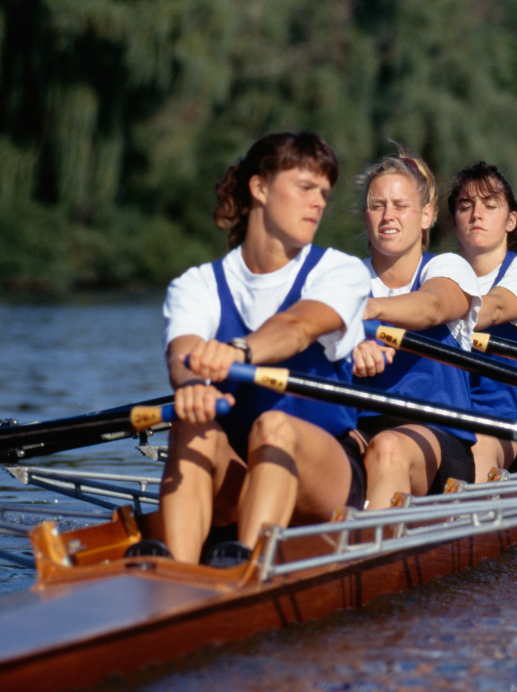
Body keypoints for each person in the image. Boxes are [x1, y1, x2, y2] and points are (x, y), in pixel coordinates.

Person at [152, 132, 371, 565]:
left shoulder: (339, 272)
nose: (319, 203)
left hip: (324, 475)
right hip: (240, 471)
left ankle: (246, 573)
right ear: (260, 187)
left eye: (324, 193)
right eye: (305, 187)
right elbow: (183, 353)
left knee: (275, 426)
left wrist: (236, 352)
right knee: (189, 423)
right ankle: (176, 578)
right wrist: (193, 383)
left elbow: (298, 327)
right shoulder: (197, 284)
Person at [353, 150, 482, 508]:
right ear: (366, 218)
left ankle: (369, 558)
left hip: (440, 440)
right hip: (360, 426)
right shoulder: (343, 278)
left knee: (388, 448)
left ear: (427, 215)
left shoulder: (447, 267)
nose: (388, 215)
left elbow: (433, 307)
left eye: (400, 205)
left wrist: (367, 312)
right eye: (377, 205)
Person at [448, 162, 517, 480]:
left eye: (489, 206)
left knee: (476, 448)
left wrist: (427, 313)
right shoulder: (440, 272)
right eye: (465, 207)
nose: (476, 214)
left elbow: (492, 310)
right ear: (455, 222)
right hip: (449, 415)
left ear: (511, 221)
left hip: (509, 426)